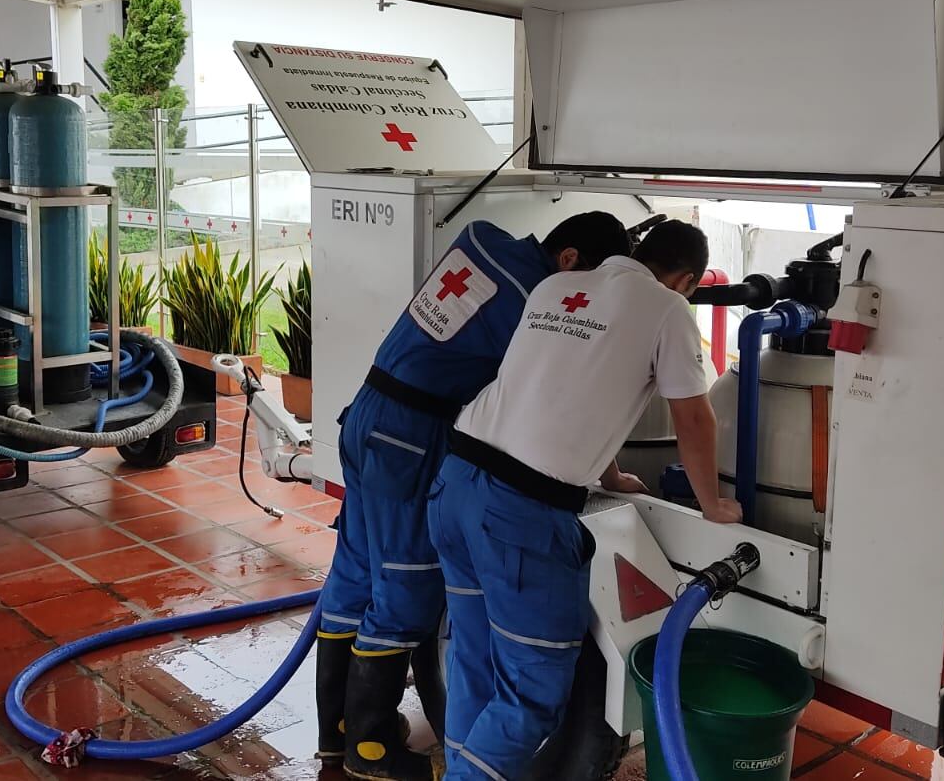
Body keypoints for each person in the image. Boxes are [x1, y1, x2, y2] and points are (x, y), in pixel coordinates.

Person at [317, 211, 634, 781]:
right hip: (409, 436)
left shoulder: (485, 241)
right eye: (584, 276)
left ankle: (333, 739)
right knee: (407, 590)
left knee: (356, 575)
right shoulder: (532, 298)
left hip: (368, 415)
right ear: (567, 260)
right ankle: (370, 748)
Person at [426, 219, 742, 781]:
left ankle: (461, 767)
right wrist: (713, 506)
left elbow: (560, 385)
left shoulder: (556, 287)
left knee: (475, 661)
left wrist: (612, 472)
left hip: (455, 483)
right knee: (532, 690)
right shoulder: (668, 309)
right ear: (687, 279)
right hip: (518, 512)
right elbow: (693, 416)